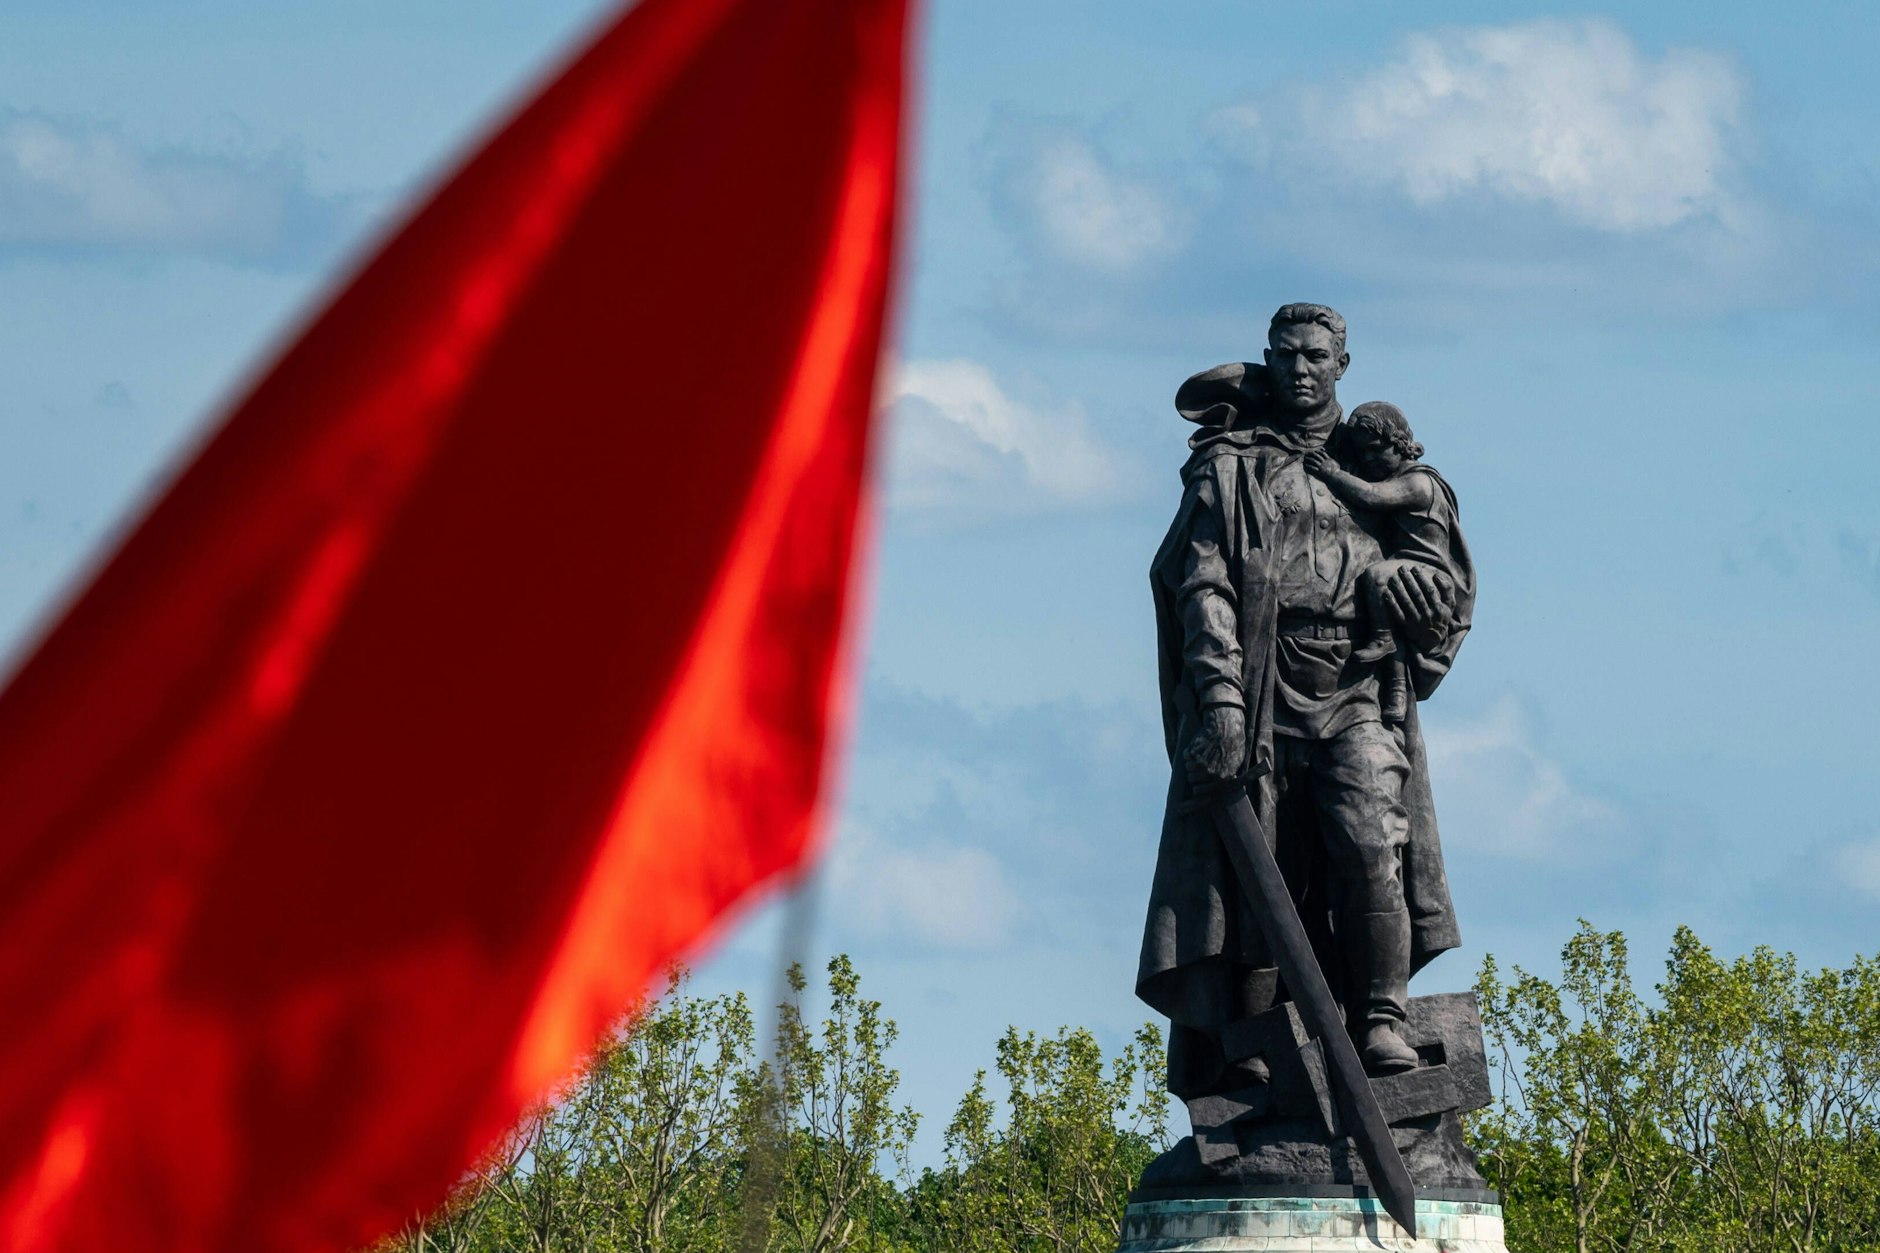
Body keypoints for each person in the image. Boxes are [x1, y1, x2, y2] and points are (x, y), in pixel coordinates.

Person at [1138, 303, 1475, 1092]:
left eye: (1315, 355)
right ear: (1269, 357)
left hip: (1357, 682)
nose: (1299, 368)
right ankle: (1253, 1038)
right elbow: (1202, 584)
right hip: (1258, 686)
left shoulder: (1382, 466)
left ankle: (1382, 1017)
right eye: (1286, 354)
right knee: (1258, 866)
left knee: (1369, 843)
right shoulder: (1231, 465)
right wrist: (1219, 700)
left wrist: (1416, 596)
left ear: (1341, 365)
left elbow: (1446, 580)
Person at [1303, 402, 1472, 724]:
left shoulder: (1419, 483)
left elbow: (1371, 496)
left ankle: (1381, 636)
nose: (1369, 459)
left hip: (1428, 571)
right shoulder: (1401, 476)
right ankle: (1395, 693)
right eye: (1362, 452)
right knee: (1393, 618)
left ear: (1400, 443)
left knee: (1377, 578)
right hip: (1407, 567)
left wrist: (1332, 474)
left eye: (1375, 450)